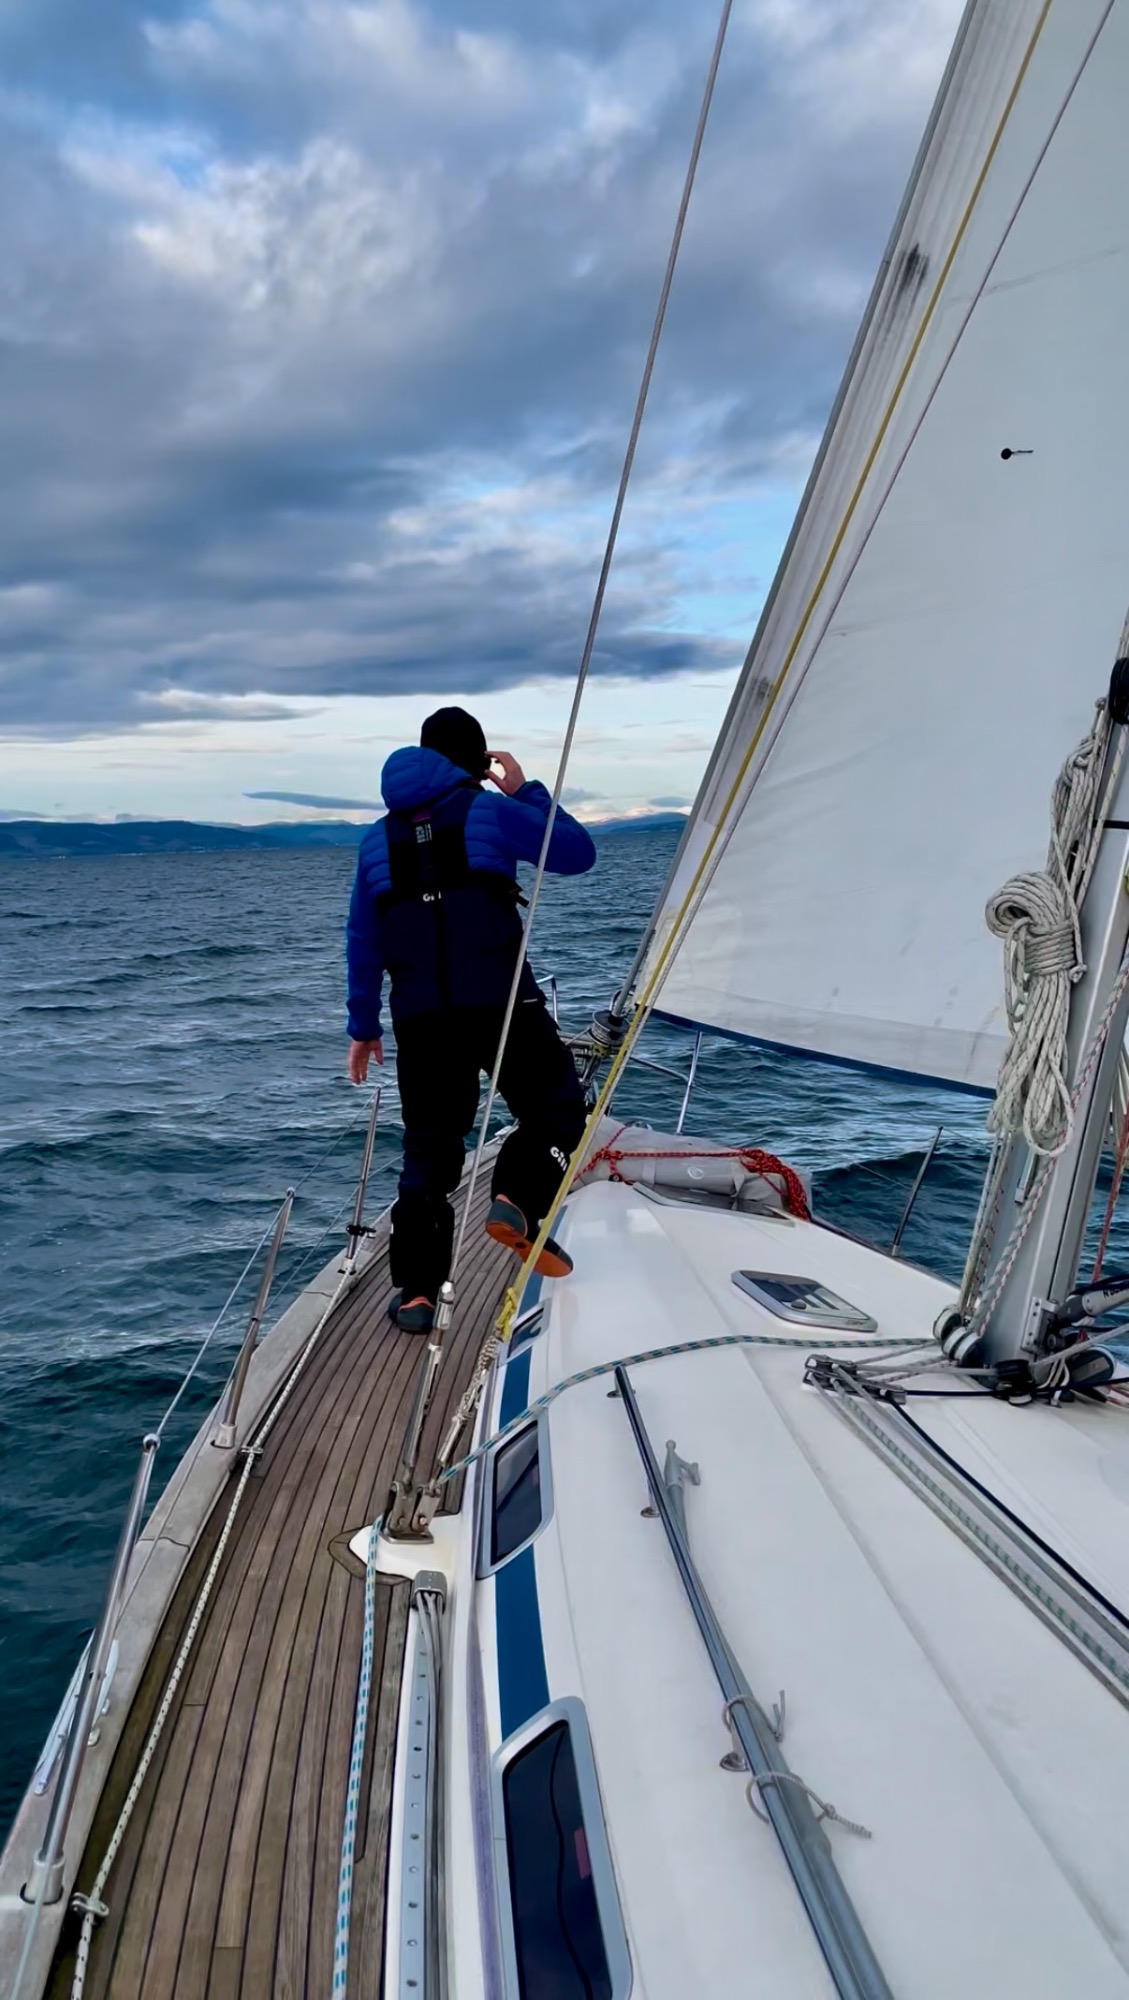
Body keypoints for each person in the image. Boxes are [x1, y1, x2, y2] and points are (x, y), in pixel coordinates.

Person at [345, 706, 597, 1333]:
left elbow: (362, 939)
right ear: (479, 762)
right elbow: (576, 853)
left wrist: (363, 1026)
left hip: (421, 1017)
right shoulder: (490, 810)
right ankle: (516, 1198)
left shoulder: (375, 840)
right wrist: (525, 791)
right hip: (502, 1002)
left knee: (429, 1148)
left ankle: (416, 1295)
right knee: (557, 1111)